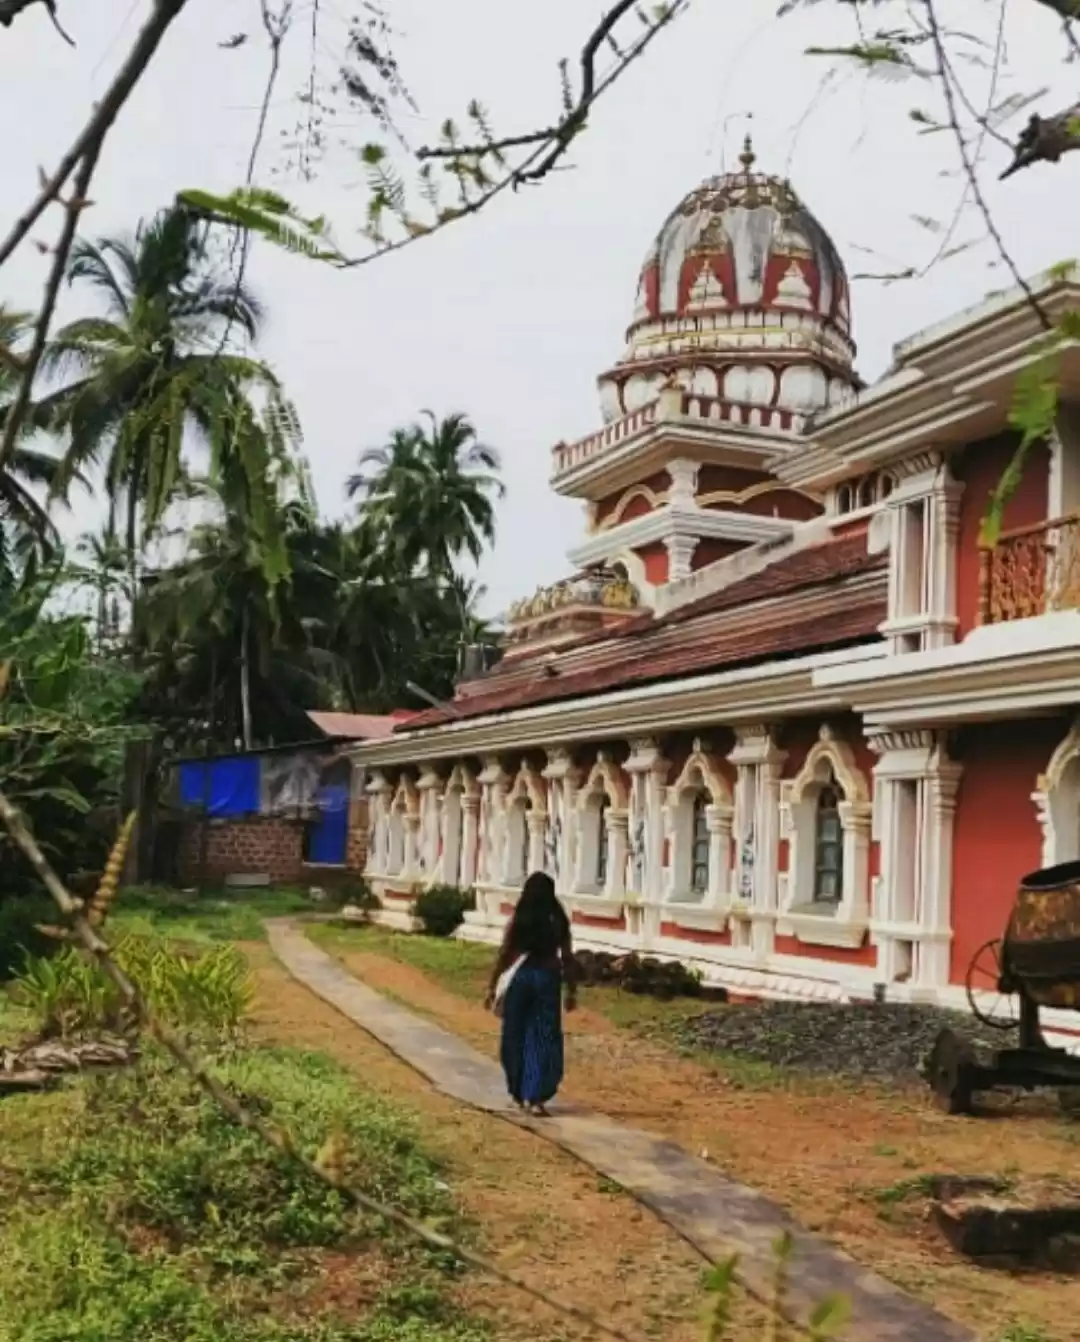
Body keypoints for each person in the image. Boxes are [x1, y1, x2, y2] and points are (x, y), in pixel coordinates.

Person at [484, 870, 578, 1117]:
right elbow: (567, 957)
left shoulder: (520, 918)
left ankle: (517, 1090)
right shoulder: (558, 921)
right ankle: (534, 1097)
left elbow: (505, 953)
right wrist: (571, 990)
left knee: (514, 1035)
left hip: (521, 979)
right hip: (547, 980)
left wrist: (492, 986)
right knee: (541, 1037)